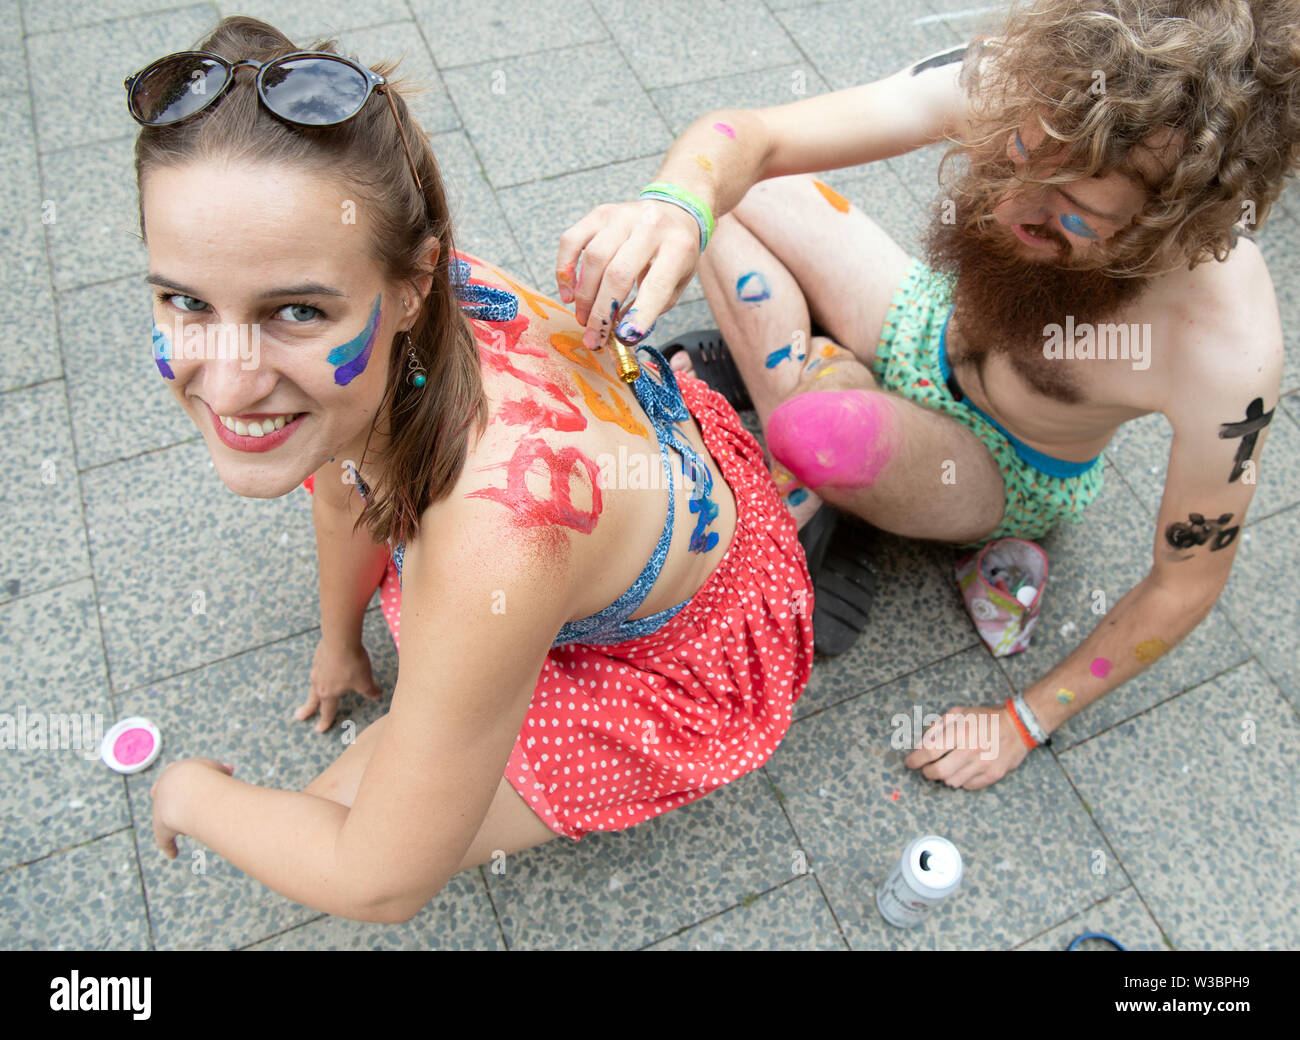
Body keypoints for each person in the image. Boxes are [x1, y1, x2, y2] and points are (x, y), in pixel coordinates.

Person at [138, 16, 813, 923]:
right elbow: (346, 484)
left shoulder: (493, 543)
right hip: (636, 507)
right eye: (185, 299)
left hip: (668, 654)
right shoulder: (391, 297)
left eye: (293, 311)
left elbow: (377, 880)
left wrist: (189, 793)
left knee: (338, 816)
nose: (224, 381)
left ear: (414, 283)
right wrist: (339, 642)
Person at [559, 0, 1297, 788]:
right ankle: (816, 419)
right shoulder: (1032, 82)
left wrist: (1022, 723)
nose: (1012, 204)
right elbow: (752, 135)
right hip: (917, 319)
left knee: (818, 432)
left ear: (1175, 226)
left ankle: (805, 418)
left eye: (1072, 212)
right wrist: (673, 207)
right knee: (734, 193)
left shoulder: (1225, 346)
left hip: (998, 461)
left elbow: (1186, 582)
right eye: (1014, 154)